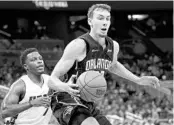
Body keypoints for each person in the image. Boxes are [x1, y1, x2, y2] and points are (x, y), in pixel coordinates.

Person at [48, 3, 160, 125]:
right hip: (64, 99)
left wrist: (138, 80)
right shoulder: (79, 45)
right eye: (100, 18)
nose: (105, 22)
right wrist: (65, 87)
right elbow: (51, 80)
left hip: (86, 101)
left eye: (107, 18)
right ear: (90, 21)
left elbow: (113, 65)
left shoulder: (113, 46)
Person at [1, 48, 52, 125]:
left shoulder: (50, 80)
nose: (39, 61)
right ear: (26, 66)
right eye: (33, 60)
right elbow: (4, 112)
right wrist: (31, 103)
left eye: (40, 58)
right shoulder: (20, 86)